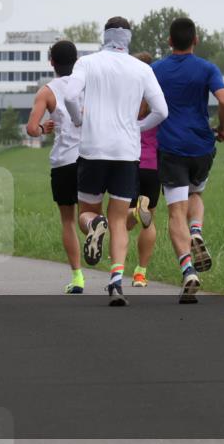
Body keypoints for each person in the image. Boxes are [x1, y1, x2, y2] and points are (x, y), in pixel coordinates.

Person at [64, 17, 167, 306]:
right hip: (126, 152)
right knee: (120, 219)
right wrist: (138, 127)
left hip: (93, 149)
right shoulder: (142, 69)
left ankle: (95, 223)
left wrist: (79, 119)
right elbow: (161, 110)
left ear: (105, 35)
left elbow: (71, 95)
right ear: (128, 39)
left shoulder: (87, 63)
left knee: (87, 212)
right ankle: (116, 282)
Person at [152, 17, 224, 303]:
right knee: (196, 192)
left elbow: (142, 107)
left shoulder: (156, 69)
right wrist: (223, 129)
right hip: (201, 146)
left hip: (171, 147)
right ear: (195, 40)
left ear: (170, 41)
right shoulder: (207, 68)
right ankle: (196, 230)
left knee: (175, 212)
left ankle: (188, 271)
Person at [25, 40, 85, 294]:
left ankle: (78, 277)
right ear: (77, 59)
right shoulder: (88, 85)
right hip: (92, 157)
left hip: (64, 161)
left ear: (52, 61)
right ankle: (95, 227)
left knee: (68, 220)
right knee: (91, 212)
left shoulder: (46, 92)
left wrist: (42, 128)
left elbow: (31, 129)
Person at [126, 52, 160, 288]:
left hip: (128, 163)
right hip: (152, 166)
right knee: (149, 221)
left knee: (120, 220)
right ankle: (140, 273)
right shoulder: (157, 97)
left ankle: (116, 271)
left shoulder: (126, 96)